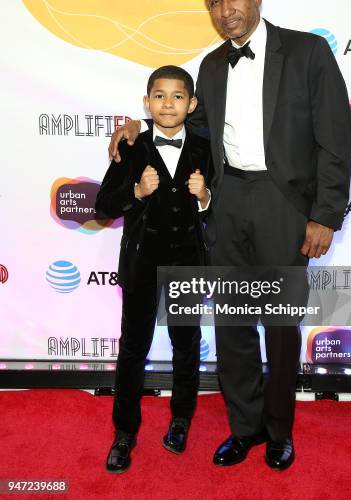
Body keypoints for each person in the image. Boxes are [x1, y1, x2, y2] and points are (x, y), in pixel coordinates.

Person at [108, 0, 351, 470]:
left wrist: (325, 215)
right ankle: (245, 427)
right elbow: (182, 119)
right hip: (227, 202)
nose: (226, 11)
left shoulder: (307, 52)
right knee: (234, 321)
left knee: (280, 324)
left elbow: (335, 139)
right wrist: (134, 124)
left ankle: (280, 429)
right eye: (215, 3)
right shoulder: (212, 66)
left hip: (285, 206)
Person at [95, 65, 213, 473]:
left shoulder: (203, 146)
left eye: (177, 96)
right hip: (142, 262)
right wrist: (136, 191)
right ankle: (124, 433)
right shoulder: (132, 146)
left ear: (191, 104)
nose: (168, 104)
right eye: (159, 96)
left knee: (186, 345)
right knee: (133, 348)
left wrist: (205, 197)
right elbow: (102, 205)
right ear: (147, 103)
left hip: (187, 263)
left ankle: (181, 420)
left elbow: (221, 205)